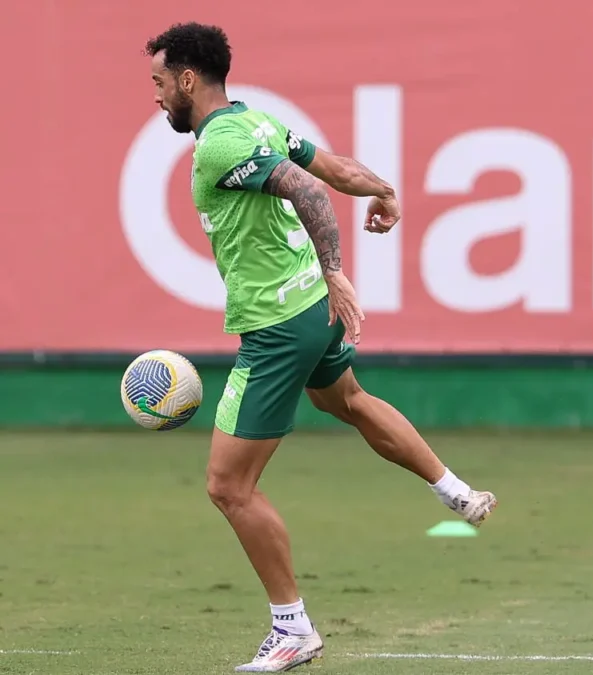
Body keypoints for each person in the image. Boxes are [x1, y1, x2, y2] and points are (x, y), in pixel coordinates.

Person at [143, 22, 499, 671]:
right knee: (350, 401)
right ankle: (453, 490)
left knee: (228, 485)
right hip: (308, 309)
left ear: (188, 80)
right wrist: (385, 189)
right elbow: (332, 168)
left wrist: (336, 269)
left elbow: (309, 188)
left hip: (281, 325)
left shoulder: (220, 143)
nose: (158, 98)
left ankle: (292, 627)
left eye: (161, 84)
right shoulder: (257, 121)